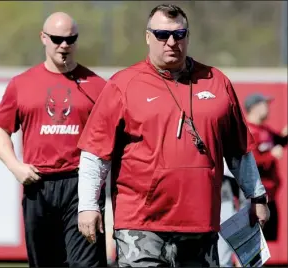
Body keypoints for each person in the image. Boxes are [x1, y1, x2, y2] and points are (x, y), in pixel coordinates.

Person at [77, 4, 270, 267]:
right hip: (140, 223)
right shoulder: (123, 84)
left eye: (179, 35)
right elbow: (95, 154)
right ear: (147, 37)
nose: (171, 42)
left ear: (188, 36)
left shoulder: (217, 81)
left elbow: (239, 151)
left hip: (201, 224)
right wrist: (87, 206)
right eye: (161, 35)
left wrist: (257, 197)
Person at [0, 12, 107, 268]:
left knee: (86, 264)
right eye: (56, 39)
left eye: (70, 39)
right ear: (43, 38)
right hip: (38, 184)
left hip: (81, 185)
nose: (63, 45)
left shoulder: (97, 86)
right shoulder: (21, 84)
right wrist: (15, 166)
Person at [244, 93, 288, 241]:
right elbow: (249, 161)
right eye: (264, 104)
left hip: (270, 192)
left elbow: (280, 141)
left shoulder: (265, 130)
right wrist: (271, 154)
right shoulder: (248, 131)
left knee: (265, 240)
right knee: (251, 239)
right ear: (254, 108)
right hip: (256, 195)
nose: (268, 108)